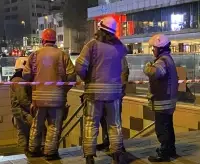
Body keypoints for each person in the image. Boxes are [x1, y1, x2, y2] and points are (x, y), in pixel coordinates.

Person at [75, 16, 127, 164]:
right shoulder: (120, 47)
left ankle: (90, 157)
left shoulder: (92, 45)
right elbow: (124, 71)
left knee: (91, 123)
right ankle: (117, 155)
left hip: (94, 93)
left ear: (100, 29)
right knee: (114, 124)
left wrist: (87, 79)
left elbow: (79, 67)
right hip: (114, 94)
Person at [23, 28, 76, 160]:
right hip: (56, 98)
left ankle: (33, 150)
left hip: (38, 99)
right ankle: (50, 153)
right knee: (54, 126)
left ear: (43, 40)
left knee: (37, 125)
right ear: (54, 40)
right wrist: (63, 90)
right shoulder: (62, 55)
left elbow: (26, 75)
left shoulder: (34, 55)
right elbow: (72, 76)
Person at [143, 34, 179, 162]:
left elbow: (154, 72)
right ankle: (171, 150)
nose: (153, 50)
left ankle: (164, 153)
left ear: (160, 48)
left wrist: (147, 66)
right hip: (168, 101)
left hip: (162, 102)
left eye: (154, 48)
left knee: (161, 128)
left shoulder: (162, 61)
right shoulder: (168, 59)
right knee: (168, 126)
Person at [96, 56, 130, 152]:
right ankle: (107, 142)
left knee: (115, 120)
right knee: (103, 119)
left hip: (113, 94)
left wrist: (121, 90)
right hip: (102, 94)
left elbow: (124, 72)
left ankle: (118, 145)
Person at [10, 57, 33, 153]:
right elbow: (23, 99)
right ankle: (25, 154)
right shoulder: (19, 80)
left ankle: (22, 156)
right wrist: (32, 108)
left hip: (19, 111)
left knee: (23, 133)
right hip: (23, 111)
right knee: (36, 131)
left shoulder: (16, 79)